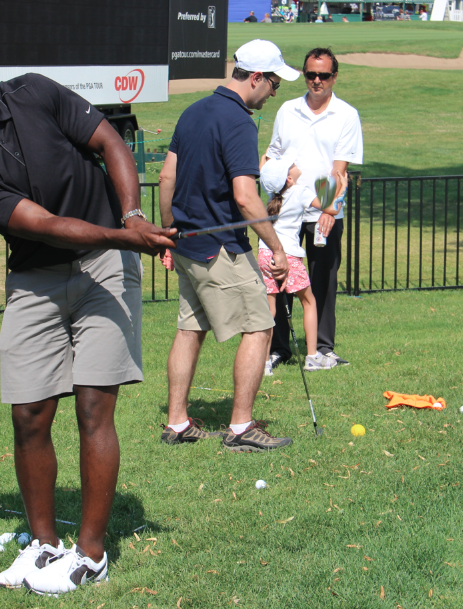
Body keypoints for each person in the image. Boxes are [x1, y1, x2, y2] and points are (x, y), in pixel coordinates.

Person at [0, 57, 176, 595]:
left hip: (104, 266)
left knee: (93, 404)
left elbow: (110, 143)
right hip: (36, 276)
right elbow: (48, 227)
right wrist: (127, 237)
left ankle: (91, 554)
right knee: (29, 412)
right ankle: (44, 545)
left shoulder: (32, 92)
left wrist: (131, 216)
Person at [157, 39, 297, 452]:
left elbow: (167, 179)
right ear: (255, 78)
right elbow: (245, 197)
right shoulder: (237, 121)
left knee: (189, 329)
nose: (274, 92)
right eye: (273, 83)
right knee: (260, 327)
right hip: (220, 247)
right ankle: (240, 428)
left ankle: (177, 423)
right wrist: (277, 246)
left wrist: (169, 234)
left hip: (186, 244)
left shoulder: (193, 111)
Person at [263, 48, 363, 372]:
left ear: (335, 76)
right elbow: (272, 155)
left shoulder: (346, 114)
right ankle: (279, 348)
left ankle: (321, 349)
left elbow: (338, 169)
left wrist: (328, 211)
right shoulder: (287, 110)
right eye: (310, 74)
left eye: (323, 75)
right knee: (278, 281)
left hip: (322, 207)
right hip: (286, 211)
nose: (316, 81)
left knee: (322, 281)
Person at [257, 157, 346, 375]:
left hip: (264, 253)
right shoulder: (300, 191)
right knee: (309, 301)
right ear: (288, 178)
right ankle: (313, 357)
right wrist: (341, 188)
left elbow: (265, 173)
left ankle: (265, 361)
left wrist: (266, 157)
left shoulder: (271, 194)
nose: (295, 165)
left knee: (269, 309)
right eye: (291, 166)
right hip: (287, 256)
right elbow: (332, 209)